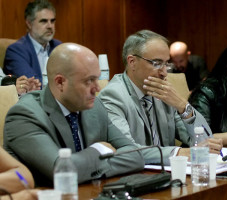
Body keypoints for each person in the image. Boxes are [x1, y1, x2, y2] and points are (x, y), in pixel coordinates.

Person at [4, 43, 144, 187]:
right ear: (60, 82)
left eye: (97, 78)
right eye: (89, 81)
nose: (97, 88)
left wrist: (85, 168)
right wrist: (100, 150)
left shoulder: (95, 106)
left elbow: (135, 156)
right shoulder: (24, 116)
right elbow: (61, 171)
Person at [99, 30, 222, 165]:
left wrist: (182, 105)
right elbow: (127, 151)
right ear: (132, 62)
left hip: (172, 175)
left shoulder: (163, 92)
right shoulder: (113, 96)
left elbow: (204, 140)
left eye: (166, 64)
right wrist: (179, 153)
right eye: (157, 63)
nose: (164, 73)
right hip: (139, 178)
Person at [4, 0, 61, 88]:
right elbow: (33, 86)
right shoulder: (16, 51)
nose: (50, 26)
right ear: (29, 24)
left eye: (52, 21)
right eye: (44, 21)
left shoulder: (59, 47)